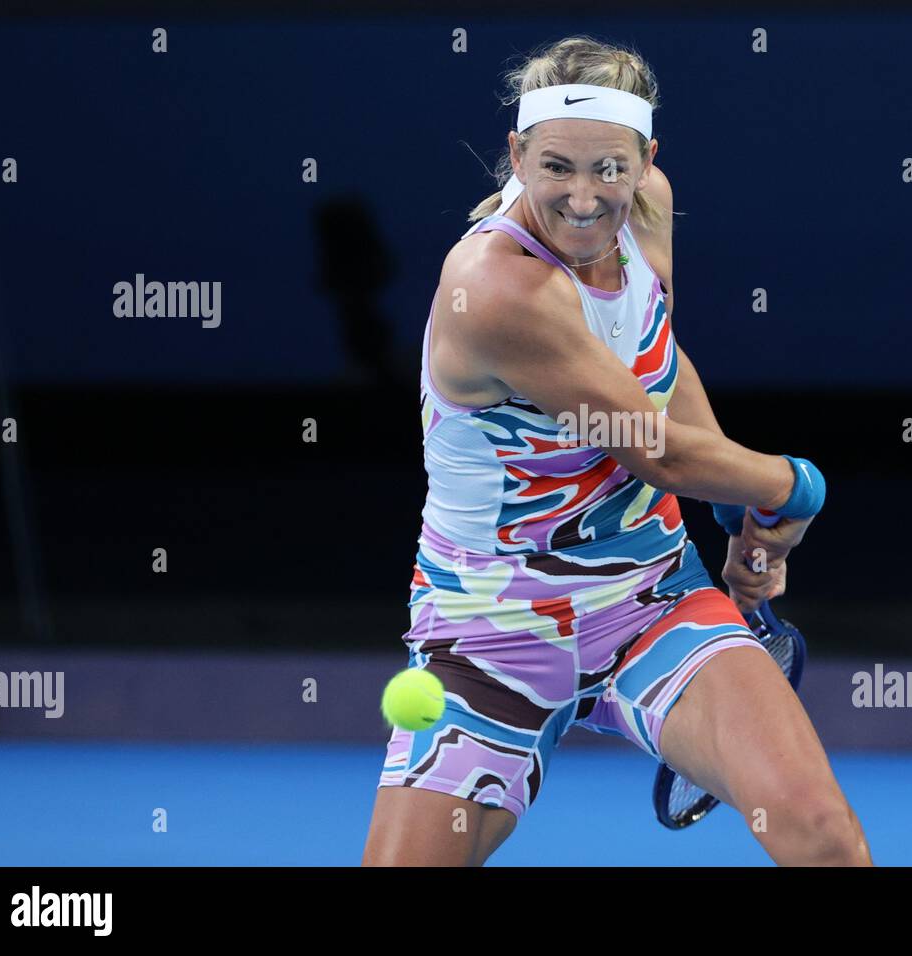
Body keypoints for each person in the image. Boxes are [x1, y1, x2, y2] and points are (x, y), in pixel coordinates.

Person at [361, 36, 871, 867]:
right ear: (517, 155)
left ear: (647, 161)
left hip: (650, 598)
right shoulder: (495, 289)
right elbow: (653, 450)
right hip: (491, 633)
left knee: (820, 836)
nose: (585, 198)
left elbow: (657, 363)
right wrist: (793, 485)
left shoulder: (648, 208)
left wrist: (733, 507)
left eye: (610, 169)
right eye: (556, 167)